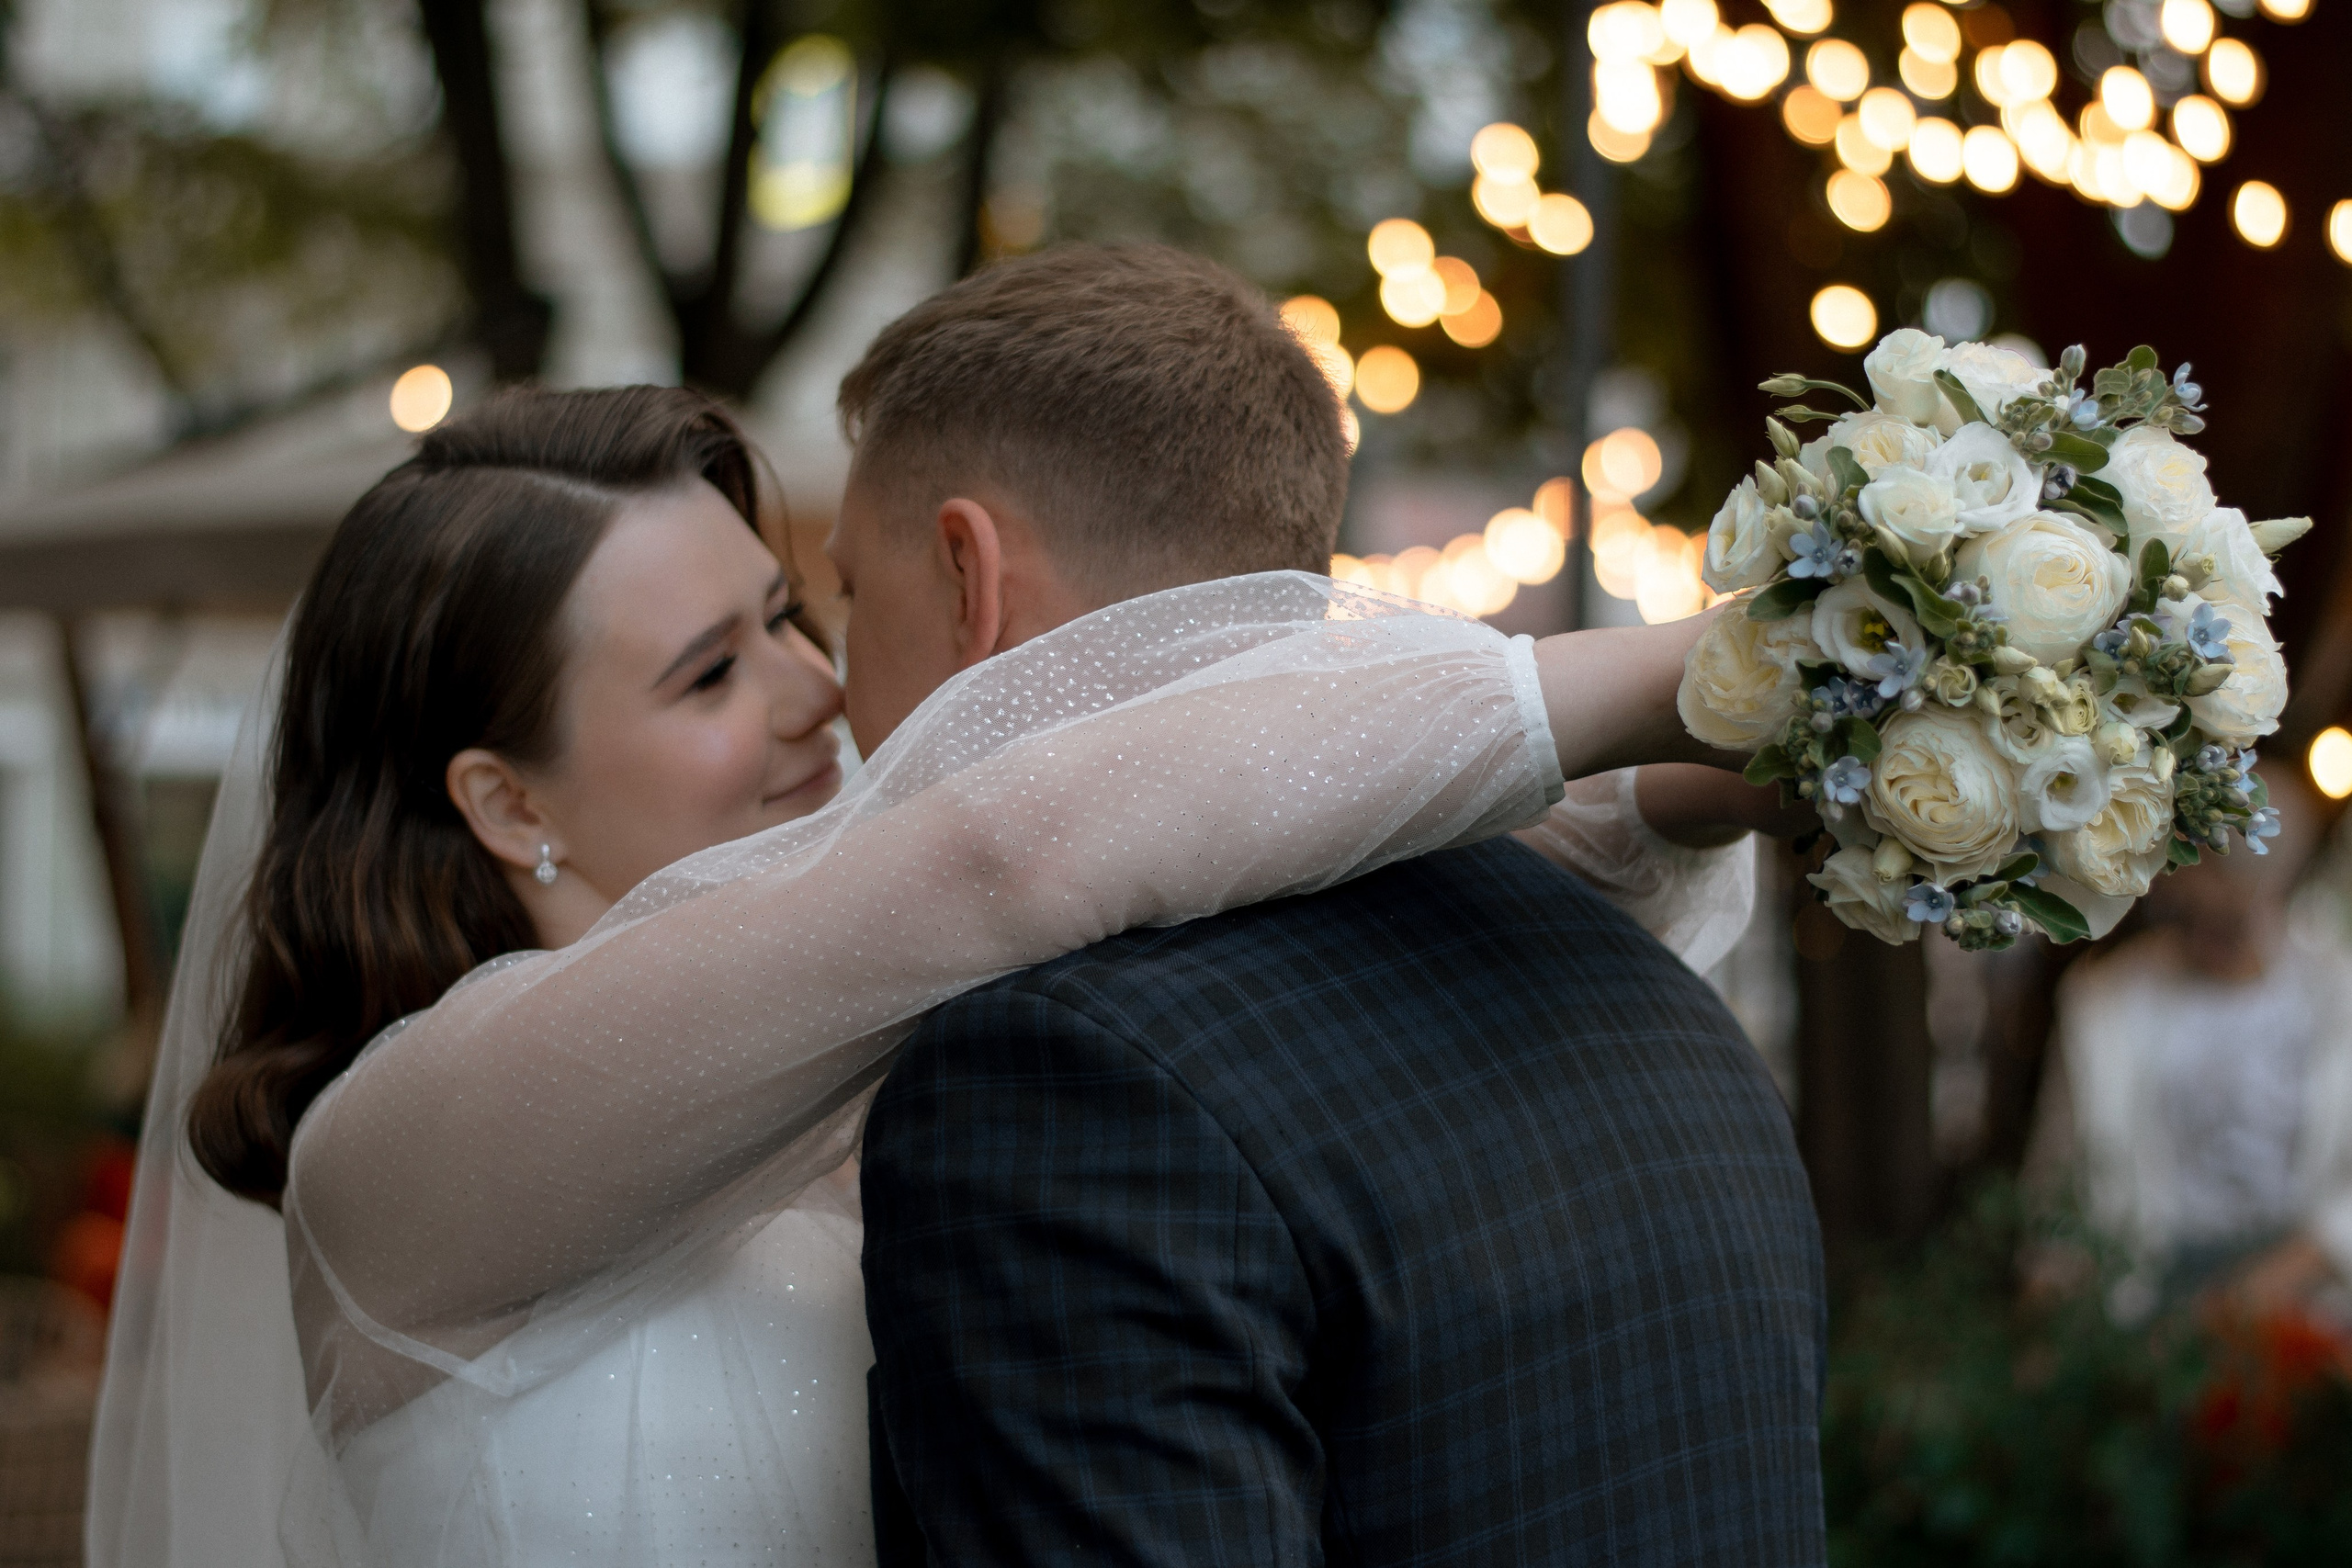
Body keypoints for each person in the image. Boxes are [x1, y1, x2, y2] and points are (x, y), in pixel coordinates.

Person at [85, 254, 1805, 1568]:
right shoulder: (404, 1147)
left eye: (792, 612)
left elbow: (1233, 835)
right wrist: (1710, 664)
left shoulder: (909, 1032)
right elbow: (1007, 844)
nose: (820, 691)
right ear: (504, 799)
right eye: (709, 670)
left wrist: (1695, 782)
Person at [845, 246, 1825, 1565]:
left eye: (850, 593)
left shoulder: (1052, 1082)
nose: (830, 684)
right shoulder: (1654, 1002)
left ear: (970, 578)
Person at [2039, 767, 2352, 1324]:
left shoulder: (2335, 996)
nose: (2210, 930)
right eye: (2191, 908)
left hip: (2312, 1305)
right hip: (2147, 1297)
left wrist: (2250, 1299)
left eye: (2232, 915)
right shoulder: (2106, 1005)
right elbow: (2062, 1177)